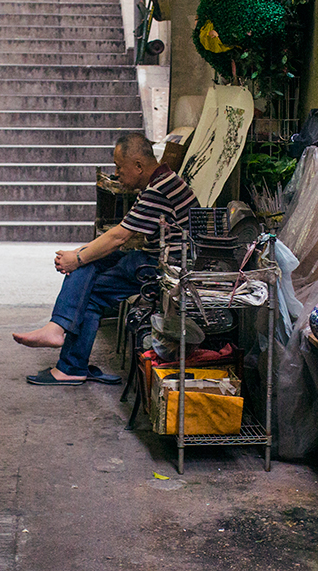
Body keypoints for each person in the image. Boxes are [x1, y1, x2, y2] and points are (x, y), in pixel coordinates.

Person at [14, 134, 196, 385]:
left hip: (166, 268)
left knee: (90, 291)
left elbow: (119, 237)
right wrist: (79, 255)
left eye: (119, 167)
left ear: (139, 166)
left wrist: (76, 258)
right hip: (156, 257)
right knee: (89, 264)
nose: (117, 173)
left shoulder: (158, 190)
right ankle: (59, 336)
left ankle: (69, 360)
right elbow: (118, 234)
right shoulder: (163, 181)